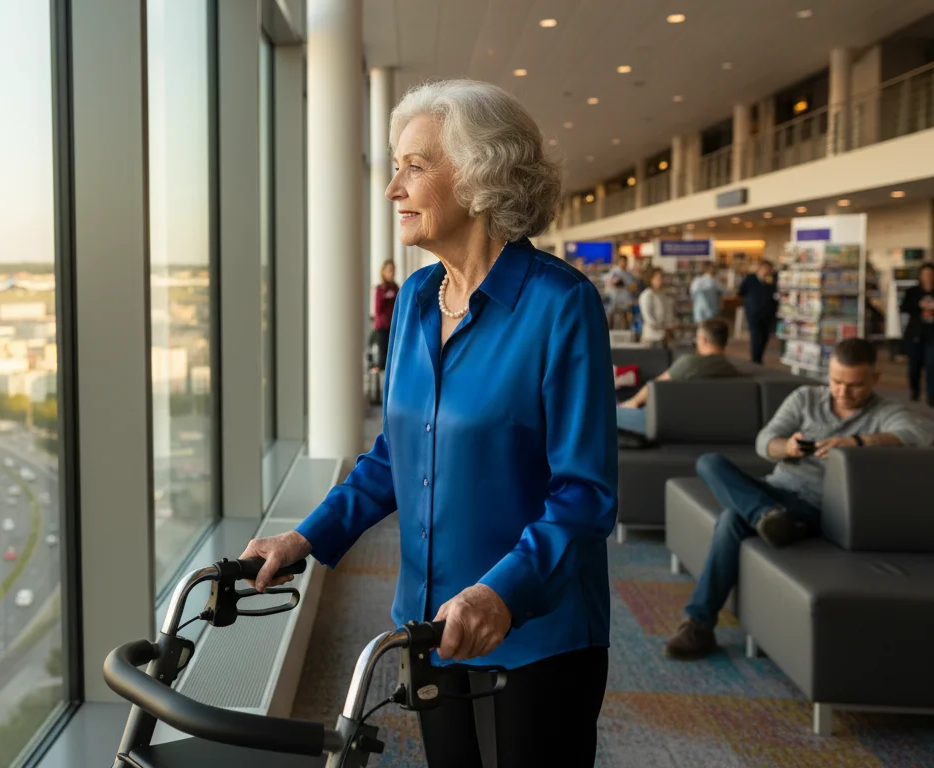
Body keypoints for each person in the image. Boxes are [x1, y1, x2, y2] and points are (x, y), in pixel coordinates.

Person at [239, 79, 616, 767]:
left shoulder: (562, 306)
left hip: (537, 634)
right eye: (394, 167)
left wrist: (499, 592)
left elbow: (585, 494)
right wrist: (304, 537)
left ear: (479, 176)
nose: (393, 189)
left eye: (415, 166)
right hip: (429, 625)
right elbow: (394, 456)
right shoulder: (415, 299)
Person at [664, 338, 926, 660]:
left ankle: (698, 625)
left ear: (874, 379)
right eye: (836, 381)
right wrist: (785, 447)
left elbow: (912, 437)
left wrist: (857, 443)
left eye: (854, 385)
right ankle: (766, 516)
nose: (842, 392)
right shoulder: (806, 398)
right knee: (709, 463)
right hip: (776, 489)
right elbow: (764, 441)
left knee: (732, 518)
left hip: (817, 507)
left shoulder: (886, 412)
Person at [616, 319, 739, 434]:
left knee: (603, 412)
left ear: (703, 339)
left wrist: (632, 403)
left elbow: (654, 385)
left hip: (660, 421)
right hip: (701, 423)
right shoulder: (731, 369)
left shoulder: (690, 363)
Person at [900, 262, 934, 408]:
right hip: (915, 333)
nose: (928, 277)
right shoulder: (912, 292)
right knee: (914, 364)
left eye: (931, 274)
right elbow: (904, 307)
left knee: (932, 362)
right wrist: (919, 306)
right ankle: (915, 389)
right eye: (925, 274)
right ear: (920, 276)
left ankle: (933, 395)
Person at [738, 261, 779, 364]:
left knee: (765, 336)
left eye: (769, 269)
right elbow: (741, 292)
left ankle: (759, 356)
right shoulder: (750, 279)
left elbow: (776, 296)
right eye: (766, 269)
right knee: (755, 336)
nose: (767, 271)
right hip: (753, 313)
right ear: (760, 268)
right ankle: (756, 360)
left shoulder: (772, 281)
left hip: (768, 314)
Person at [370, 259, 401, 371]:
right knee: (382, 356)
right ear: (383, 272)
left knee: (393, 354)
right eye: (389, 270)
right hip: (382, 327)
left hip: (394, 326)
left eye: (393, 270)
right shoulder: (380, 289)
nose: (391, 273)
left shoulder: (396, 288)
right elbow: (378, 309)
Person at [638, 268, 674, 348]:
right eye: (658, 278)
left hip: (662, 336)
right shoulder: (647, 295)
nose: (661, 281)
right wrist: (661, 327)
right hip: (651, 337)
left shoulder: (661, 294)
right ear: (651, 279)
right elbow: (648, 318)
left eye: (662, 278)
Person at [604, 255, 641, 330]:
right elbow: (608, 282)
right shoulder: (613, 271)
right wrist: (615, 282)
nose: (623, 263)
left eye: (625, 262)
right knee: (611, 316)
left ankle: (627, 332)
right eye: (622, 261)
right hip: (614, 298)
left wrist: (628, 286)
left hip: (625, 298)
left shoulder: (628, 273)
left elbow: (633, 286)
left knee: (626, 316)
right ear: (619, 262)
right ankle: (609, 332)